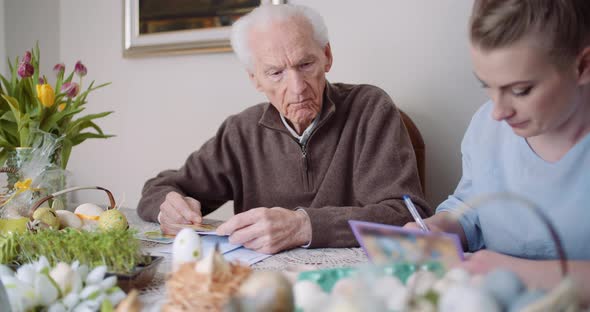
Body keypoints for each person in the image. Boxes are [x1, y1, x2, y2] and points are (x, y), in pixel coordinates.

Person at [137, 4, 430, 254]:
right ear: (255, 79)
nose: (297, 88)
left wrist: (304, 225)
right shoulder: (241, 132)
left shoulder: (370, 109)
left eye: (305, 64)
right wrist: (168, 208)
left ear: (326, 56)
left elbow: (406, 215)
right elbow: (160, 188)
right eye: (276, 73)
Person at [406, 0, 590, 303]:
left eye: (520, 90)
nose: (498, 111)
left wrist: (517, 272)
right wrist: (439, 229)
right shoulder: (486, 128)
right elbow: (472, 208)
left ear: (582, 66)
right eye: (487, 86)